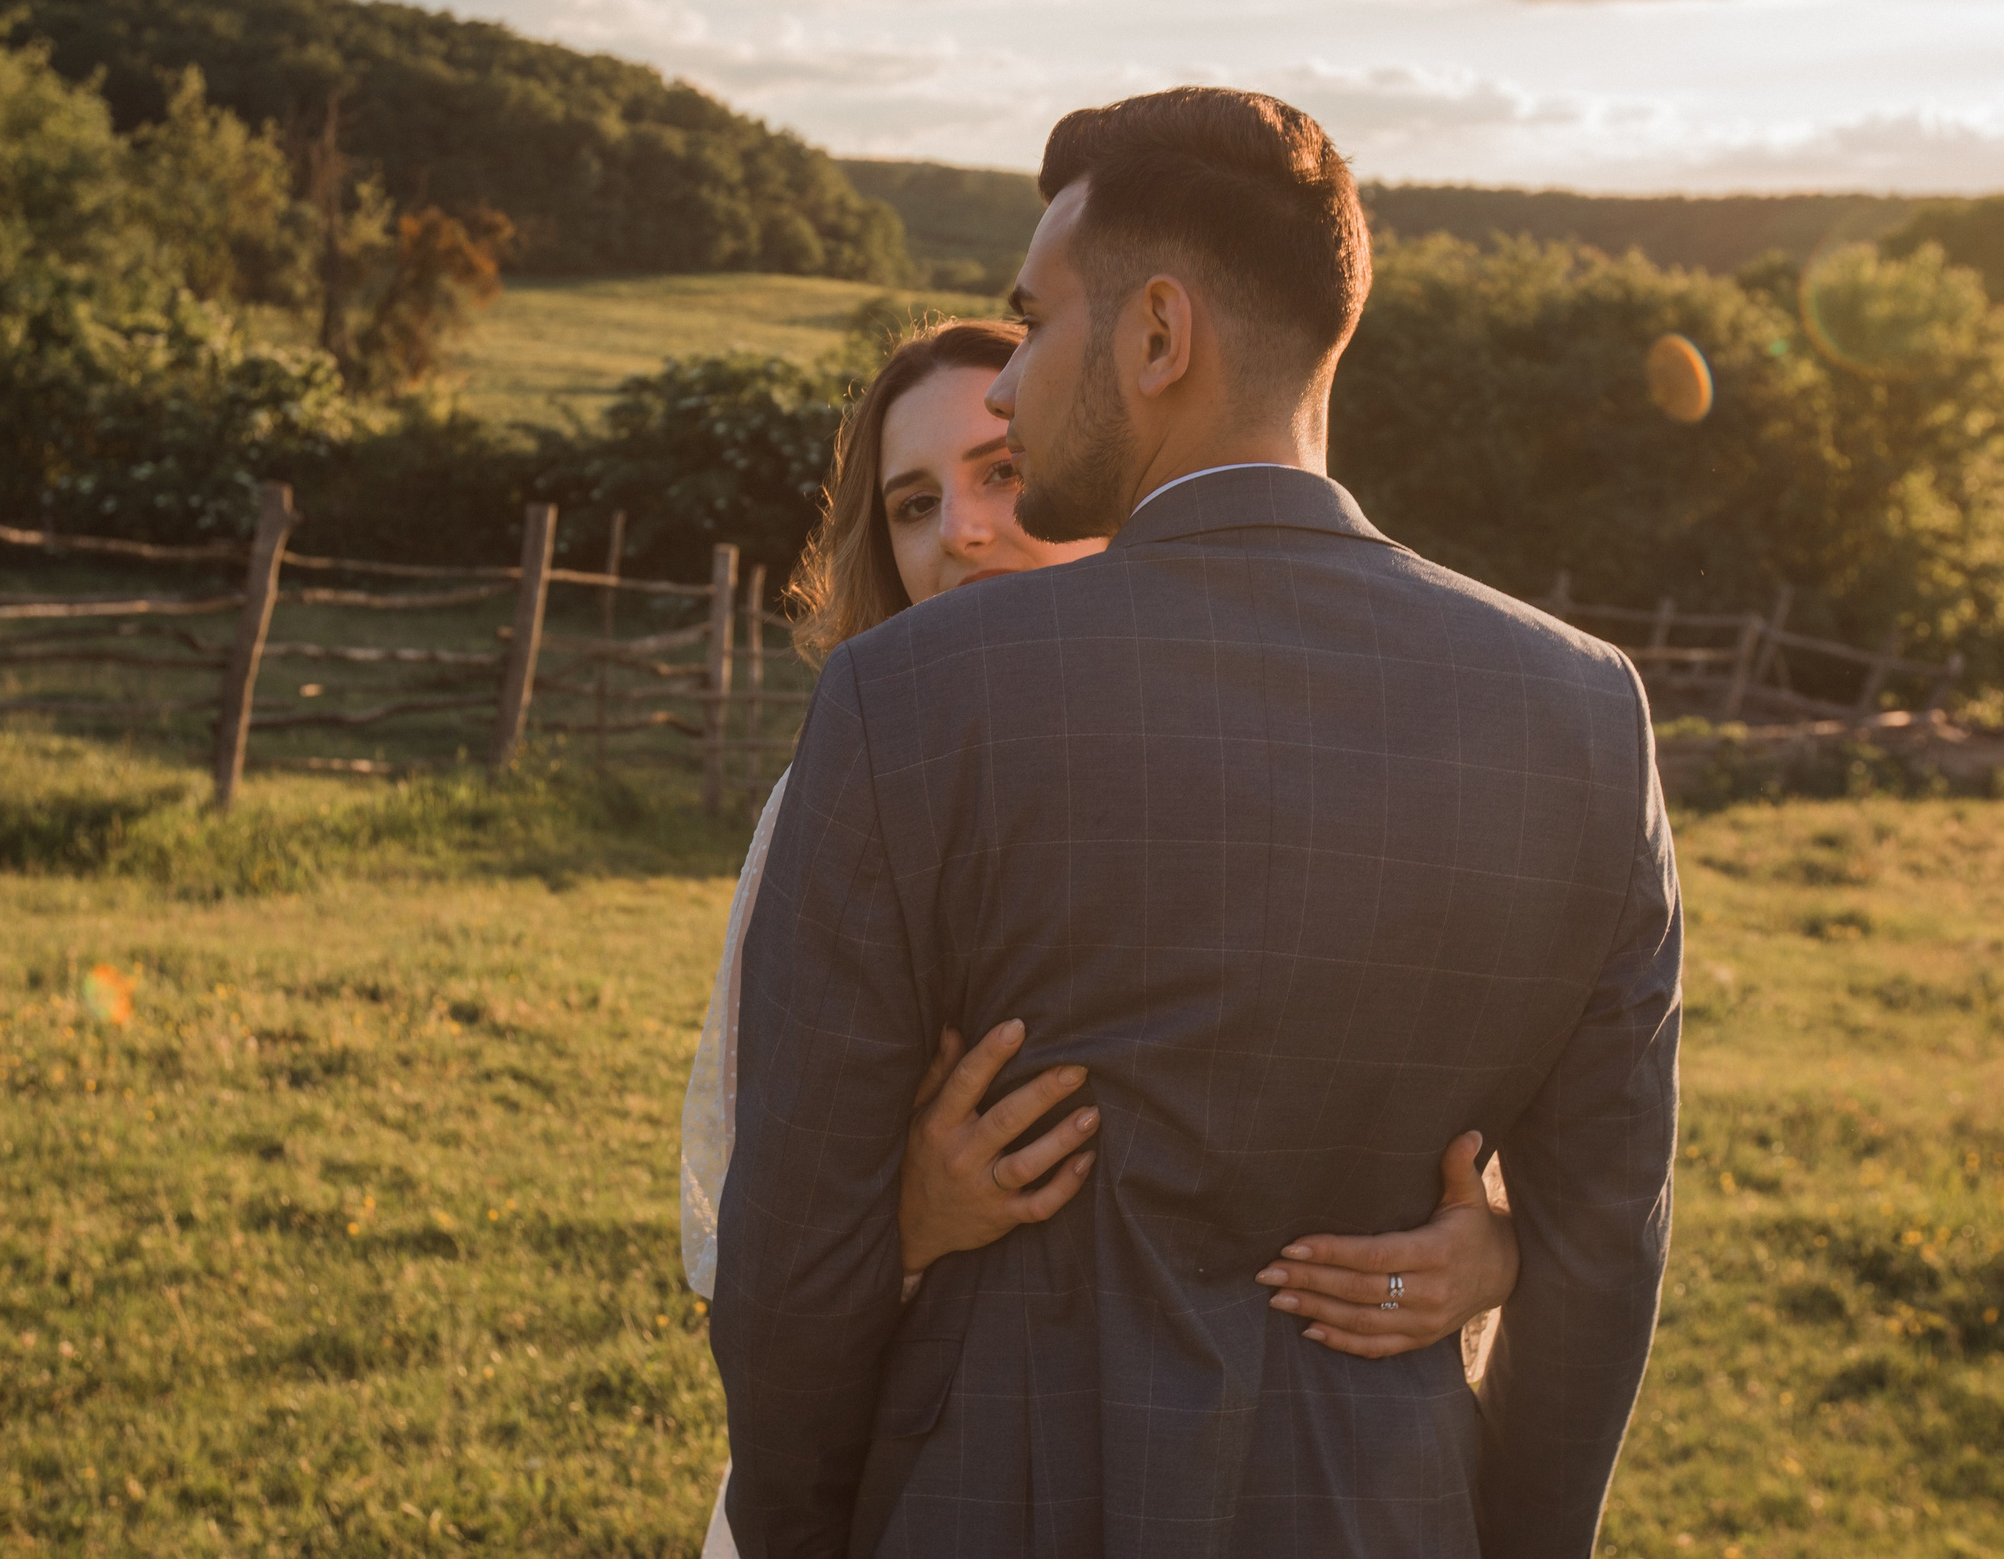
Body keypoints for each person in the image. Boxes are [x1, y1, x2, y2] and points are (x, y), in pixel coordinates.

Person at [712, 88, 1681, 1558]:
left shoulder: (907, 700)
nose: (1011, 384)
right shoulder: (1583, 711)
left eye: (1034, 327)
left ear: (1160, 335)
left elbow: (787, 1272)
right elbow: (1604, 1253)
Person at [680, 318, 1520, 1559]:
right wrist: (899, 1220)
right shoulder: (845, 802)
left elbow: (1425, 1101)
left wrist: (1489, 1249)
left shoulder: (1302, 776)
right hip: (953, 1474)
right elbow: (738, 1205)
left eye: (1001, 472)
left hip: (1292, 1478)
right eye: (913, 504)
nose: (958, 530)